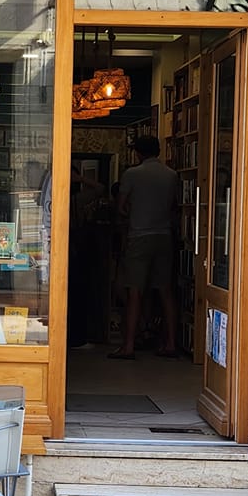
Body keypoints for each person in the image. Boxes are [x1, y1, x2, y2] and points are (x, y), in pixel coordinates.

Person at [111, 133, 180, 361]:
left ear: (138, 153)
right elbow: (173, 206)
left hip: (139, 236)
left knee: (134, 291)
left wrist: (134, 212)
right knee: (165, 291)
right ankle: (170, 343)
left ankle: (129, 346)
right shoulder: (172, 175)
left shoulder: (132, 174)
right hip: (164, 236)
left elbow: (120, 207)